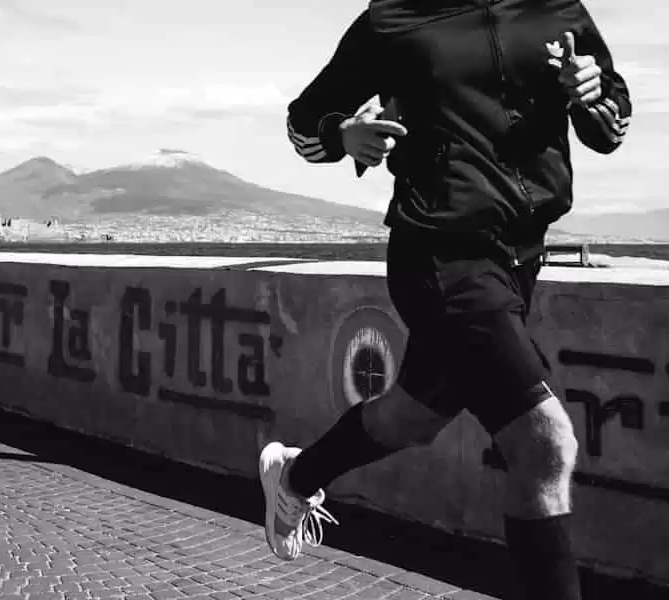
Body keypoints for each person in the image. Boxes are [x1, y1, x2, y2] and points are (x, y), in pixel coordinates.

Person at [262, 1, 631, 598]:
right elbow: (304, 123)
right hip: (438, 251)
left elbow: (610, 130)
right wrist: (344, 135)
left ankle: (295, 476)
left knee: (411, 416)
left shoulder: (556, 8)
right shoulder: (393, 20)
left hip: (520, 257)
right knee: (544, 442)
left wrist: (591, 93)